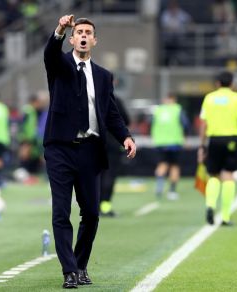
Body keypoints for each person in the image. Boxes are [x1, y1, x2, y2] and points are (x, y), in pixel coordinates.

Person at [43, 15, 136, 289]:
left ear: (94, 40)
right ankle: (69, 270)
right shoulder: (59, 66)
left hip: (90, 150)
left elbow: (111, 113)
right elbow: (50, 53)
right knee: (61, 211)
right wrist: (59, 28)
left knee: (92, 213)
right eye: (79, 32)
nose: (83, 35)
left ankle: (81, 265)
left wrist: (126, 137)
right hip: (60, 149)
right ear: (72, 39)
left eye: (88, 32)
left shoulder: (104, 76)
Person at [198, 71, 237, 226]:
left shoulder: (209, 98)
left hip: (215, 139)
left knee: (213, 175)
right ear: (232, 83)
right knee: (228, 176)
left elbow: (203, 124)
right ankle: (225, 217)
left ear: (217, 83)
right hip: (232, 139)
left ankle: (210, 205)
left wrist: (202, 144)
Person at [151, 94, 189, 201]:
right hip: (174, 142)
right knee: (174, 166)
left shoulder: (158, 110)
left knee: (162, 164)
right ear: (174, 100)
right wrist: (185, 137)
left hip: (160, 142)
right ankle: (172, 191)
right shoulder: (178, 109)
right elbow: (185, 125)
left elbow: (151, 124)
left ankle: (159, 187)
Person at [99, 97, 130, 217]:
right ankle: (105, 207)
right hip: (112, 142)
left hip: (92, 142)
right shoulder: (115, 100)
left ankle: (94, 207)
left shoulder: (89, 97)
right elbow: (126, 120)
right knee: (109, 175)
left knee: (95, 175)